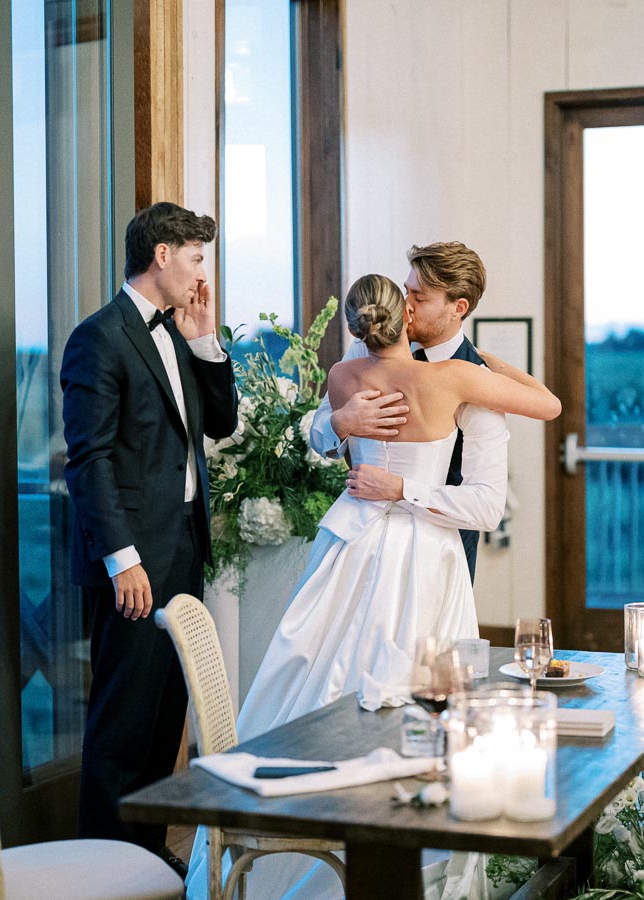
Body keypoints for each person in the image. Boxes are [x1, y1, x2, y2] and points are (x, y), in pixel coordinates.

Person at [186, 273, 559, 899]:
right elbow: (547, 405)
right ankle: (396, 849)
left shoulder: (340, 378)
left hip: (350, 548)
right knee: (416, 694)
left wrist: (340, 424)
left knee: (317, 676)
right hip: (424, 553)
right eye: (407, 295)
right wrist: (484, 363)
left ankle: (284, 852)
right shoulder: (450, 381)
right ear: (403, 319)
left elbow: (326, 439)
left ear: (355, 326)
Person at [61, 202, 238, 874]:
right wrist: (122, 560)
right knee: (121, 728)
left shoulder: (175, 330)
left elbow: (218, 424)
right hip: (133, 562)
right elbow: (90, 460)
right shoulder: (99, 338)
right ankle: (98, 874)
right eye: (196, 257)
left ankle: (142, 869)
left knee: (165, 721)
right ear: (162, 254)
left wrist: (203, 339)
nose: (201, 273)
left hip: (182, 551)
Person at [310, 242, 503, 581]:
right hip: (358, 545)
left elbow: (485, 505)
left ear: (458, 307)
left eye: (420, 297)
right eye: (406, 291)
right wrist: (341, 422)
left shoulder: (475, 378)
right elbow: (319, 437)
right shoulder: (367, 346)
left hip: (440, 549)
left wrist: (400, 488)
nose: (405, 307)